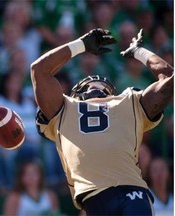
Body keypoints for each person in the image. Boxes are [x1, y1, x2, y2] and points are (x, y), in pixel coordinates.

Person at [30, 28, 173, 215]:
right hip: (93, 196)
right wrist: (81, 45)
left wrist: (138, 51)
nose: (95, 84)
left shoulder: (130, 101)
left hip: (132, 189)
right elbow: (38, 69)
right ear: (76, 93)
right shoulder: (62, 108)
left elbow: (170, 79)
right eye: (88, 83)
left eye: (101, 83)